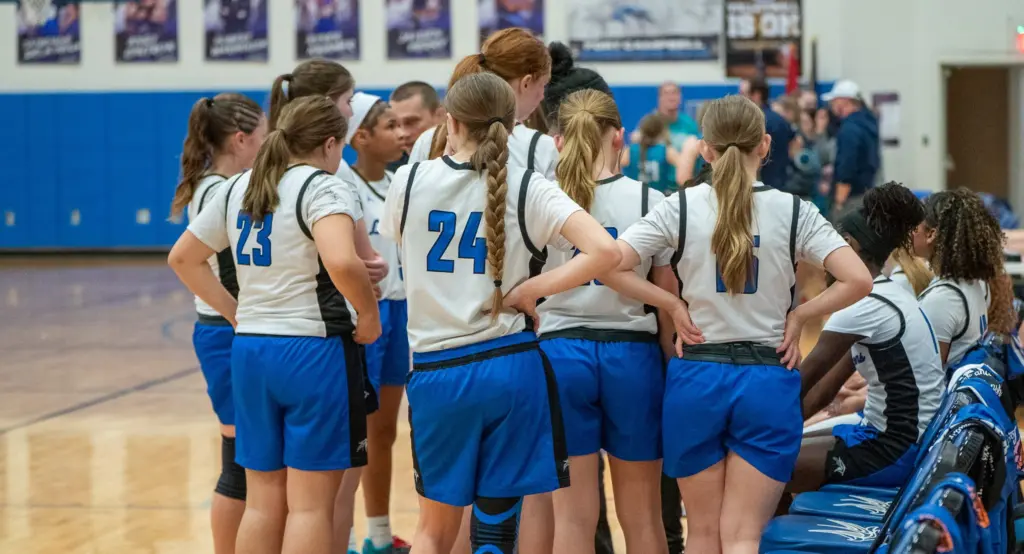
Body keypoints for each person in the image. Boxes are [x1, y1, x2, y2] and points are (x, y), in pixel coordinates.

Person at [601, 94, 873, 554]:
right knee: (744, 537)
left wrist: (671, 304)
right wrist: (800, 315)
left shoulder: (679, 207)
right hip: (767, 378)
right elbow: (859, 279)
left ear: (704, 149)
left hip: (697, 377)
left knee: (703, 535)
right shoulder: (793, 209)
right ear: (764, 145)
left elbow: (609, 263)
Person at [380, 72, 621, 554]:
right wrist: (533, 289)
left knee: (432, 532)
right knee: (496, 531)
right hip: (509, 366)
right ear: (513, 126)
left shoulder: (408, 179)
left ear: (450, 123)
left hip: (437, 371)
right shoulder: (529, 186)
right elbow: (606, 252)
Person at [168, 95, 380, 554]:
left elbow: (183, 258)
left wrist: (234, 312)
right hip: (313, 352)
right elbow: (342, 261)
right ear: (330, 144)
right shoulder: (324, 187)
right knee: (309, 508)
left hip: (251, 352)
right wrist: (368, 313)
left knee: (262, 503)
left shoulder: (236, 186)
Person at [537, 89, 672, 554]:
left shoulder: (539, 198)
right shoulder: (651, 199)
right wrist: (670, 361)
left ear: (558, 141)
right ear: (619, 137)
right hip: (632, 356)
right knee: (644, 518)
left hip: (559, 355)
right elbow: (667, 295)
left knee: (572, 521)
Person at [792, 182, 943, 492]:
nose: (823, 260)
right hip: (897, 437)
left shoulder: (863, 306)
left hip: (896, 450)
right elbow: (822, 390)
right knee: (775, 452)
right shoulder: (885, 293)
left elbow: (799, 384)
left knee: (766, 465)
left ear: (850, 245)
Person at [168, 92, 266, 554]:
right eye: (263, 136)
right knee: (238, 464)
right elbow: (187, 262)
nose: (268, 144)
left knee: (253, 462)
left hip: (232, 333)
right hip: (225, 334)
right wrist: (235, 313)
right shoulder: (217, 191)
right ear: (241, 139)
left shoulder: (221, 184)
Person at [343, 92, 412, 554]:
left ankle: (380, 536)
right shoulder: (341, 184)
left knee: (384, 430)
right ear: (361, 137)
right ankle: (344, 537)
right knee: (354, 433)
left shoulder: (399, 183)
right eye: (391, 126)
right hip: (365, 313)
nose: (402, 133)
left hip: (402, 311)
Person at [409, 28, 557, 181]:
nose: (542, 96)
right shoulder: (541, 148)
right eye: (543, 84)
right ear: (526, 83)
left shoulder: (428, 140)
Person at [913, 188, 1015, 370]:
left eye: (915, 226)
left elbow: (926, 374)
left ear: (930, 234)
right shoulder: (976, 282)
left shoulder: (942, 299)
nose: (910, 232)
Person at [820, 80, 880, 220]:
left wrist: (839, 202)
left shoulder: (849, 129)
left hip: (850, 199)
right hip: (867, 194)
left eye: (834, 101)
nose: (831, 106)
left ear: (844, 101)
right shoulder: (869, 123)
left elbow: (846, 166)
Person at [740, 77, 795, 191]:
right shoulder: (780, 119)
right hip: (784, 182)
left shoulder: (754, 122)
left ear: (756, 95)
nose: (740, 98)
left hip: (760, 186)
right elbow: (795, 144)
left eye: (744, 93)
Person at [620, 113, 686, 195]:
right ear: (662, 132)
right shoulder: (667, 151)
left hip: (633, 199)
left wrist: (633, 142)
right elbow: (684, 170)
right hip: (660, 199)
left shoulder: (629, 151)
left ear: (641, 130)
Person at [388, 81, 445, 171]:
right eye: (395, 125)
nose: (403, 133)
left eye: (411, 122)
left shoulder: (463, 161)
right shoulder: (389, 170)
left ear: (439, 115)